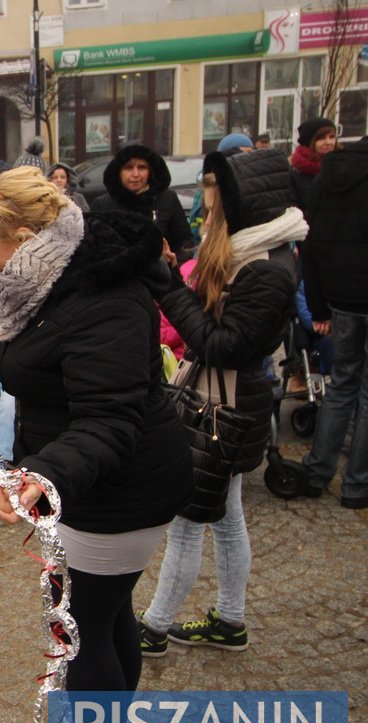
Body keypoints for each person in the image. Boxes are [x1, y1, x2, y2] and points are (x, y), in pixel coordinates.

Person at [0, 168, 192, 723]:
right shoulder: (34, 280)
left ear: (22, 237)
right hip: (84, 478)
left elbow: (110, 417)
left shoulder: (107, 298)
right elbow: (22, 340)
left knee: (85, 624)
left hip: (119, 486)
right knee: (104, 610)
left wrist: (44, 473)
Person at [140, 148, 303, 655]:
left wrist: (168, 287)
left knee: (188, 520)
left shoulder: (267, 270)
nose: (206, 215)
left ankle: (154, 627)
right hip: (224, 399)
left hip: (224, 406)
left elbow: (221, 345)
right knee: (226, 514)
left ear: (242, 206)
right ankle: (229, 620)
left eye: (213, 206)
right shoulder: (249, 253)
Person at [297, 135, 368, 509]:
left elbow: (313, 242)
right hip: (350, 297)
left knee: (341, 384)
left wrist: (318, 304)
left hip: (341, 298)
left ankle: (317, 470)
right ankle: (357, 484)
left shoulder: (331, 172)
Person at [90, 143, 194, 265]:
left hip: (163, 278)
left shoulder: (167, 199)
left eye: (142, 167)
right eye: (128, 168)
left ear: (150, 171)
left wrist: (175, 262)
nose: (135, 174)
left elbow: (184, 242)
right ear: (118, 171)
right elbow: (94, 249)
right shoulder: (102, 205)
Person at [290, 117, 338, 213]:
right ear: (309, 141)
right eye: (321, 138)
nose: (328, 142)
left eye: (331, 137)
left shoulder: (344, 165)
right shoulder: (295, 174)